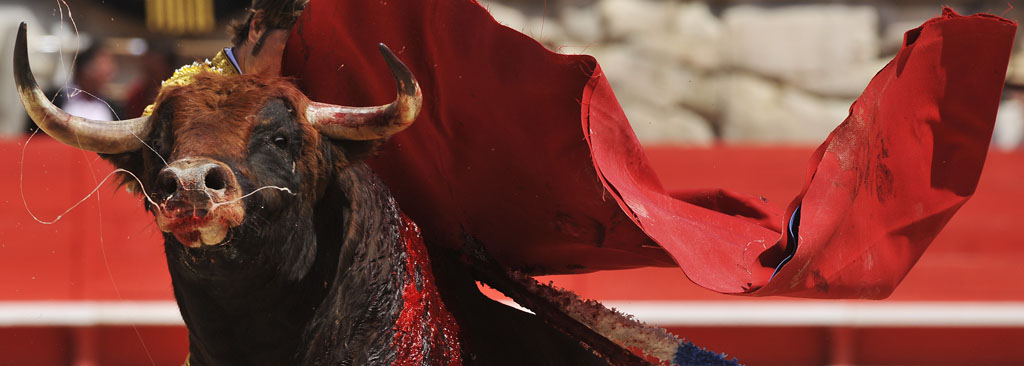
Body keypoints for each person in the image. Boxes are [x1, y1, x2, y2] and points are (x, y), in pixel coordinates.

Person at [142, 0, 308, 116]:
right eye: (289, 50)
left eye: (305, 55)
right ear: (257, 28)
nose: (294, 64)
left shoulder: (308, 97)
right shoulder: (186, 92)